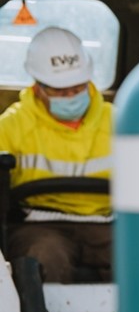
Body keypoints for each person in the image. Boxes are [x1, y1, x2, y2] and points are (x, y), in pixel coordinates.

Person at [0, 26, 113, 283]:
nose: (71, 96)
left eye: (77, 88)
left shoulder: (119, 122)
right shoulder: (11, 126)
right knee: (44, 257)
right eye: (60, 91)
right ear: (38, 87)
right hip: (37, 226)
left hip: (105, 224)